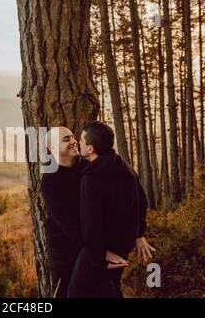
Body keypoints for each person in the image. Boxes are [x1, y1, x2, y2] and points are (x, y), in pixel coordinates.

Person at [67, 121, 155, 298]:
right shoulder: (126, 168)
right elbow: (142, 201)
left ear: (91, 149)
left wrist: (99, 256)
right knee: (109, 288)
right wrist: (138, 234)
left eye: (82, 141)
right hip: (123, 244)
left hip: (101, 250)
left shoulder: (91, 179)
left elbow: (91, 224)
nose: (78, 143)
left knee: (76, 292)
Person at [41, 126, 130, 298]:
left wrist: (137, 232)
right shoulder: (50, 181)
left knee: (107, 291)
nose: (74, 141)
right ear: (51, 149)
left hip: (95, 247)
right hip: (66, 253)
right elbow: (69, 226)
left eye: (73, 137)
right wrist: (100, 253)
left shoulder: (89, 166)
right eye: (66, 139)